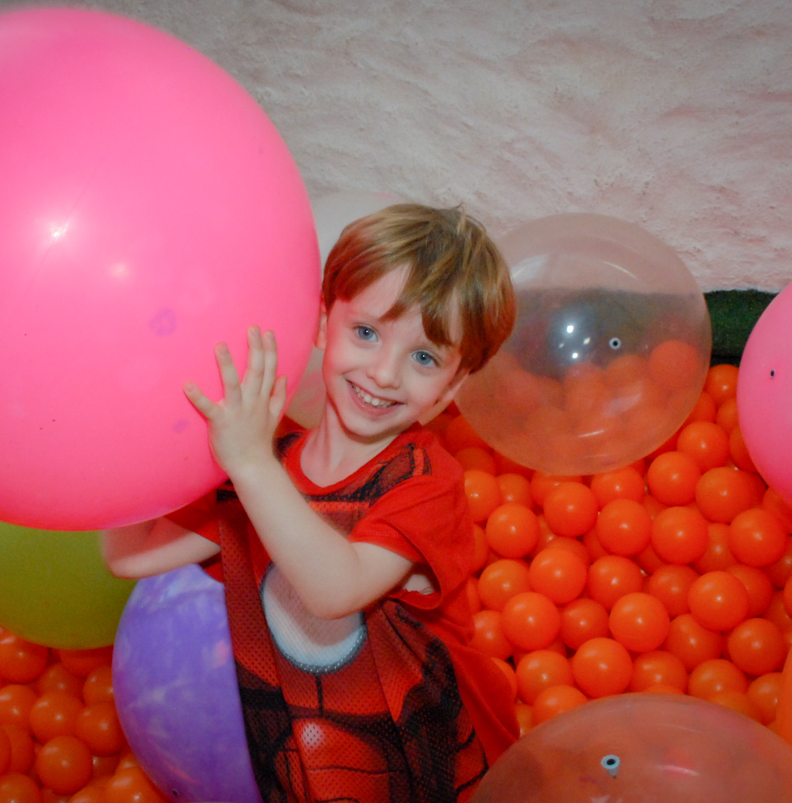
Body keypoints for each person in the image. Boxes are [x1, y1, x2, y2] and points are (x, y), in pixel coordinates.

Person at [102, 204, 519, 803]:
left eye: (424, 357)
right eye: (367, 332)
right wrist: (130, 433)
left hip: (443, 772)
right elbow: (131, 556)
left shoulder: (425, 483)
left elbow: (336, 588)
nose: (383, 373)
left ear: (453, 386)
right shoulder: (265, 468)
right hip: (316, 773)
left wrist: (249, 464)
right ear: (323, 321)